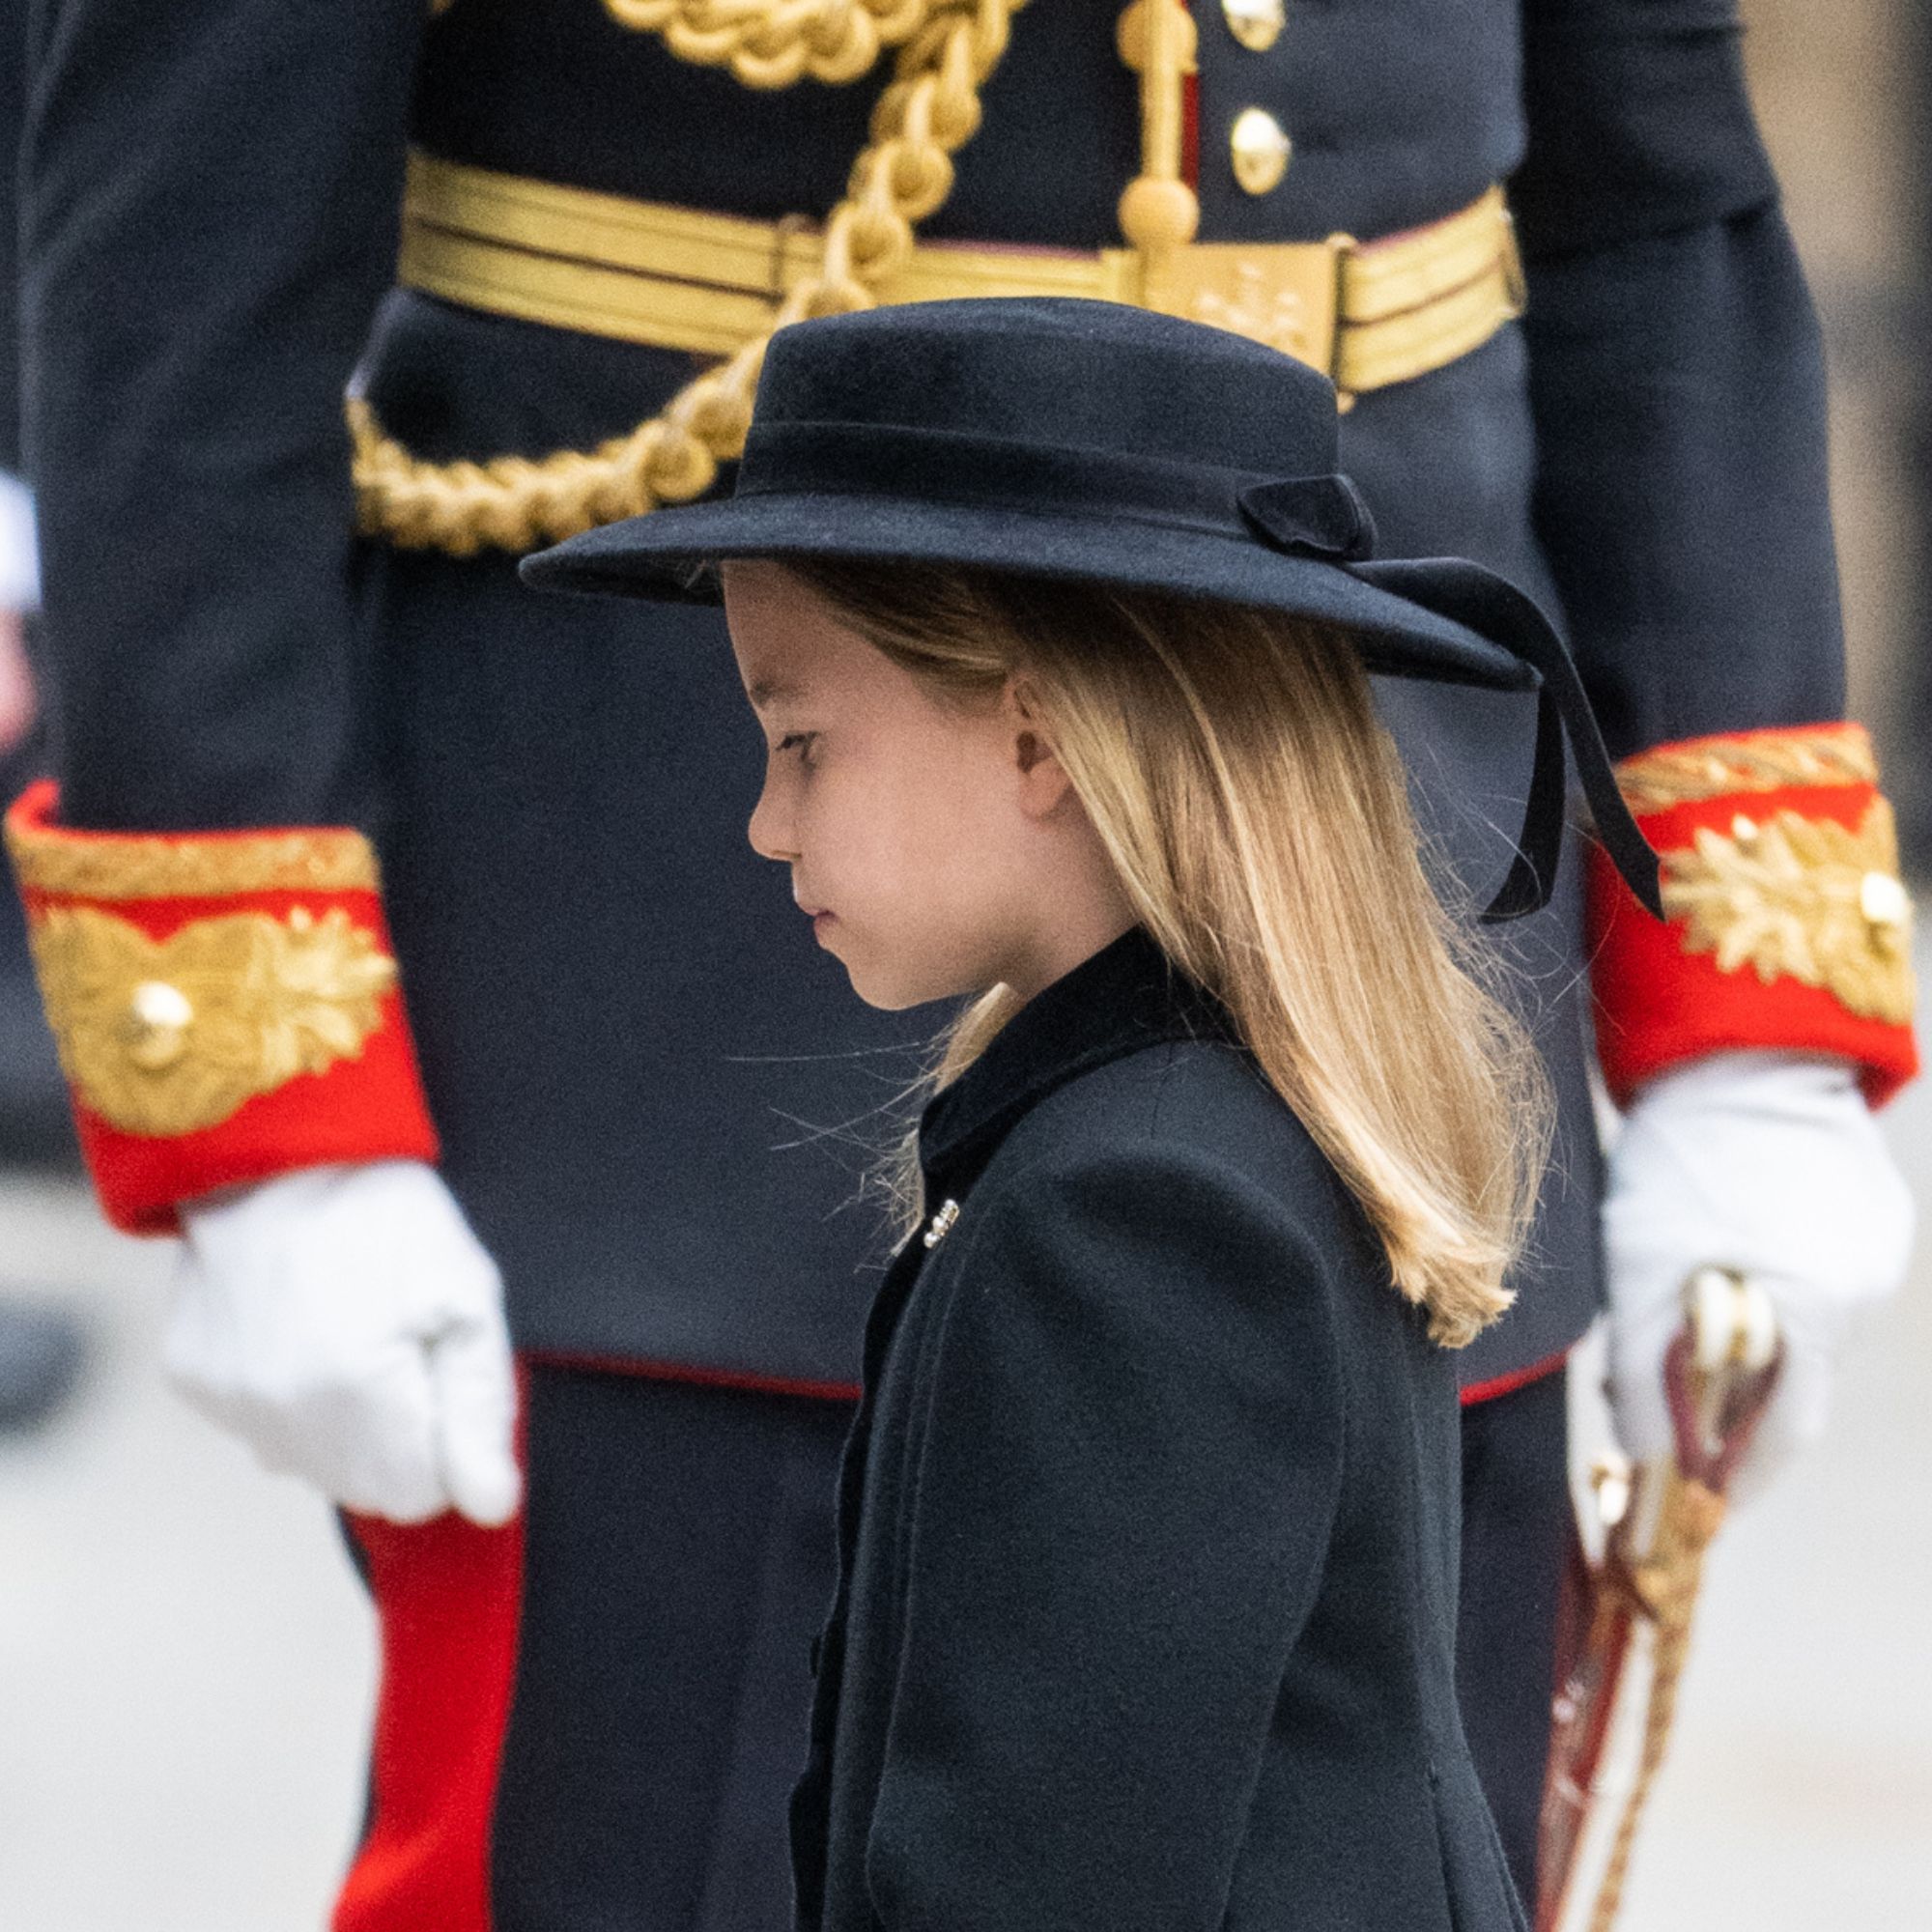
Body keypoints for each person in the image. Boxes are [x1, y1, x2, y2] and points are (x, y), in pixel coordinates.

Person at [7, 0, 1915, 1921]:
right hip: (662, 994)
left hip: (1399, 902)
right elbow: (189, 243)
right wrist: (263, 1069)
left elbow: (1652, 200)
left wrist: (1744, 1024)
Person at [527, 296, 1669, 1931]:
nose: (769, 823)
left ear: (1043, 735)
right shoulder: (1178, 1133)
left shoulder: (1139, 1216)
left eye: (802, 743)